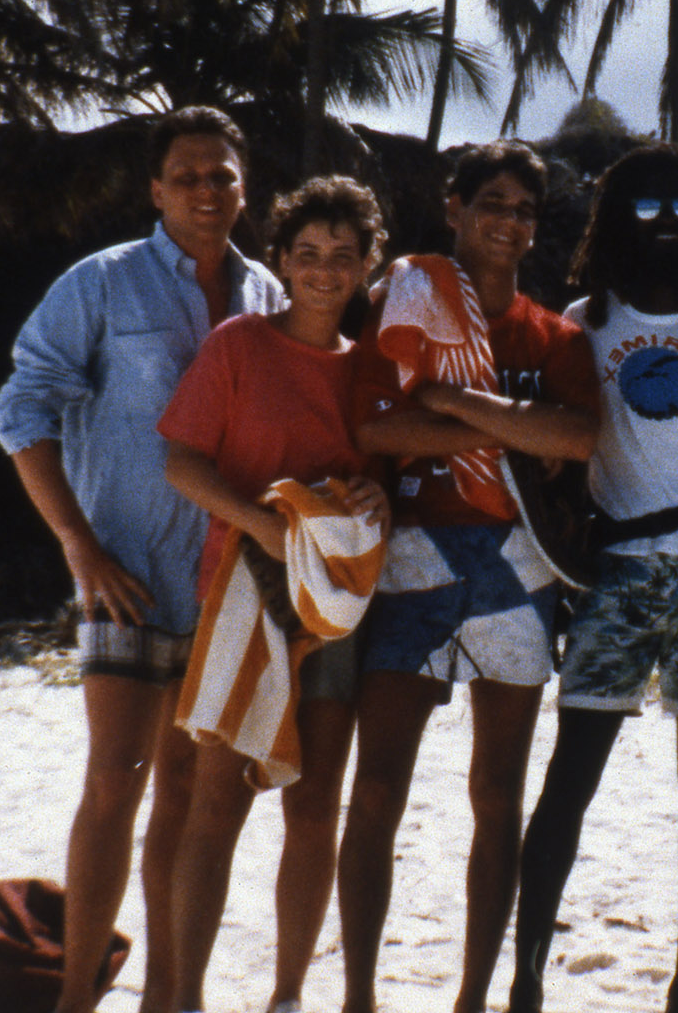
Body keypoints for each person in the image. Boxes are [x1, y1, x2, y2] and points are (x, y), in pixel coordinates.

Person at [0, 106, 284, 1013]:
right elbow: (21, 412)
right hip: (125, 576)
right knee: (112, 783)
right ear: (156, 190)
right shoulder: (102, 282)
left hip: (226, 584)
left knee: (186, 794)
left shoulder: (270, 296)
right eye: (187, 176)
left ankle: (166, 994)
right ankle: (75, 998)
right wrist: (79, 546)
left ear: (245, 187)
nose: (206, 190)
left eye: (222, 174)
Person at [507, 144, 678, 1013]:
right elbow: (553, 460)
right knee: (570, 778)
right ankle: (525, 985)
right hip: (614, 576)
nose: (666, 221)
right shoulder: (582, 324)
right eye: (644, 206)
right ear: (612, 219)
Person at [336, 143, 600, 1013]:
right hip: (414, 560)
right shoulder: (404, 306)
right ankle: (359, 997)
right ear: (454, 209)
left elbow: (578, 438)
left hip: (520, 567)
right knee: (378, 788)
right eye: (492, 202)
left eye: (525, 209)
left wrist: (449, 402)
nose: (508, 221)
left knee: (497, 793)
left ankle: (473, 999)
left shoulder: (555, 335)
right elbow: (376, 430)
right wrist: (513, 426)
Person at [156, 175, 390, 1013]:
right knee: (215, 804)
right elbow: (182, 462)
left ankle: (287, 997)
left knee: (314, 807)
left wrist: (377, 494)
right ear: (283, 261)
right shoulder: (239, 344)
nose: (325, 271)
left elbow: (379, 478)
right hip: (239, 597)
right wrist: (257, 525)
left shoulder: (369, 368)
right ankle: (187, 998)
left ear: (367, 266)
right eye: (308, 253)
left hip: (330, 610)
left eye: (343, 255)